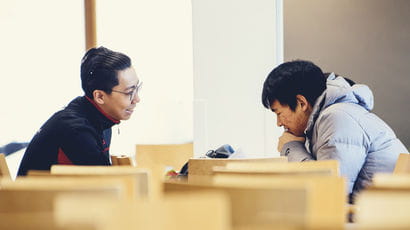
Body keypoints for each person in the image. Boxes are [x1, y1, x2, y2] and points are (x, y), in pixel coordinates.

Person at [261, 60, 408, 201]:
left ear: (301, 103)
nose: (278, 123)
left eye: (278, 113)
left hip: (380, 219)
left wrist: (291, 148)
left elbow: (330, 194)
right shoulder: (328, 118)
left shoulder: (337, 118)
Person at [18, 47, 141, 176]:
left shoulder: (98, 116)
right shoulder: (76, 130)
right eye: (129, 93)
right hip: (37, 196)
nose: (137, 99)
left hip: (65, 194)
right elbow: (104, 184)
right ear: (99, 96)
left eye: (137, 88)